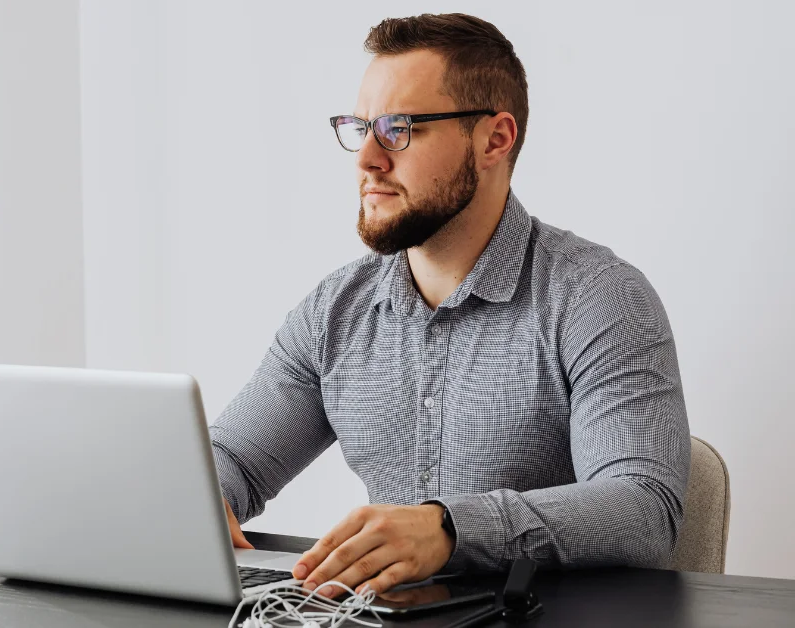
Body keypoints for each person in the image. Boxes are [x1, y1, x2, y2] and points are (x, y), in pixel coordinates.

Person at [210, 13, 690, 598]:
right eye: (360, 126)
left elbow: (644, 505)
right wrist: (203, 494)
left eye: (399, 128)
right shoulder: (334, 312)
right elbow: (234, 456)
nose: (367, 158)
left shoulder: (597, 297)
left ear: (495, 139)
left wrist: (450, 528)